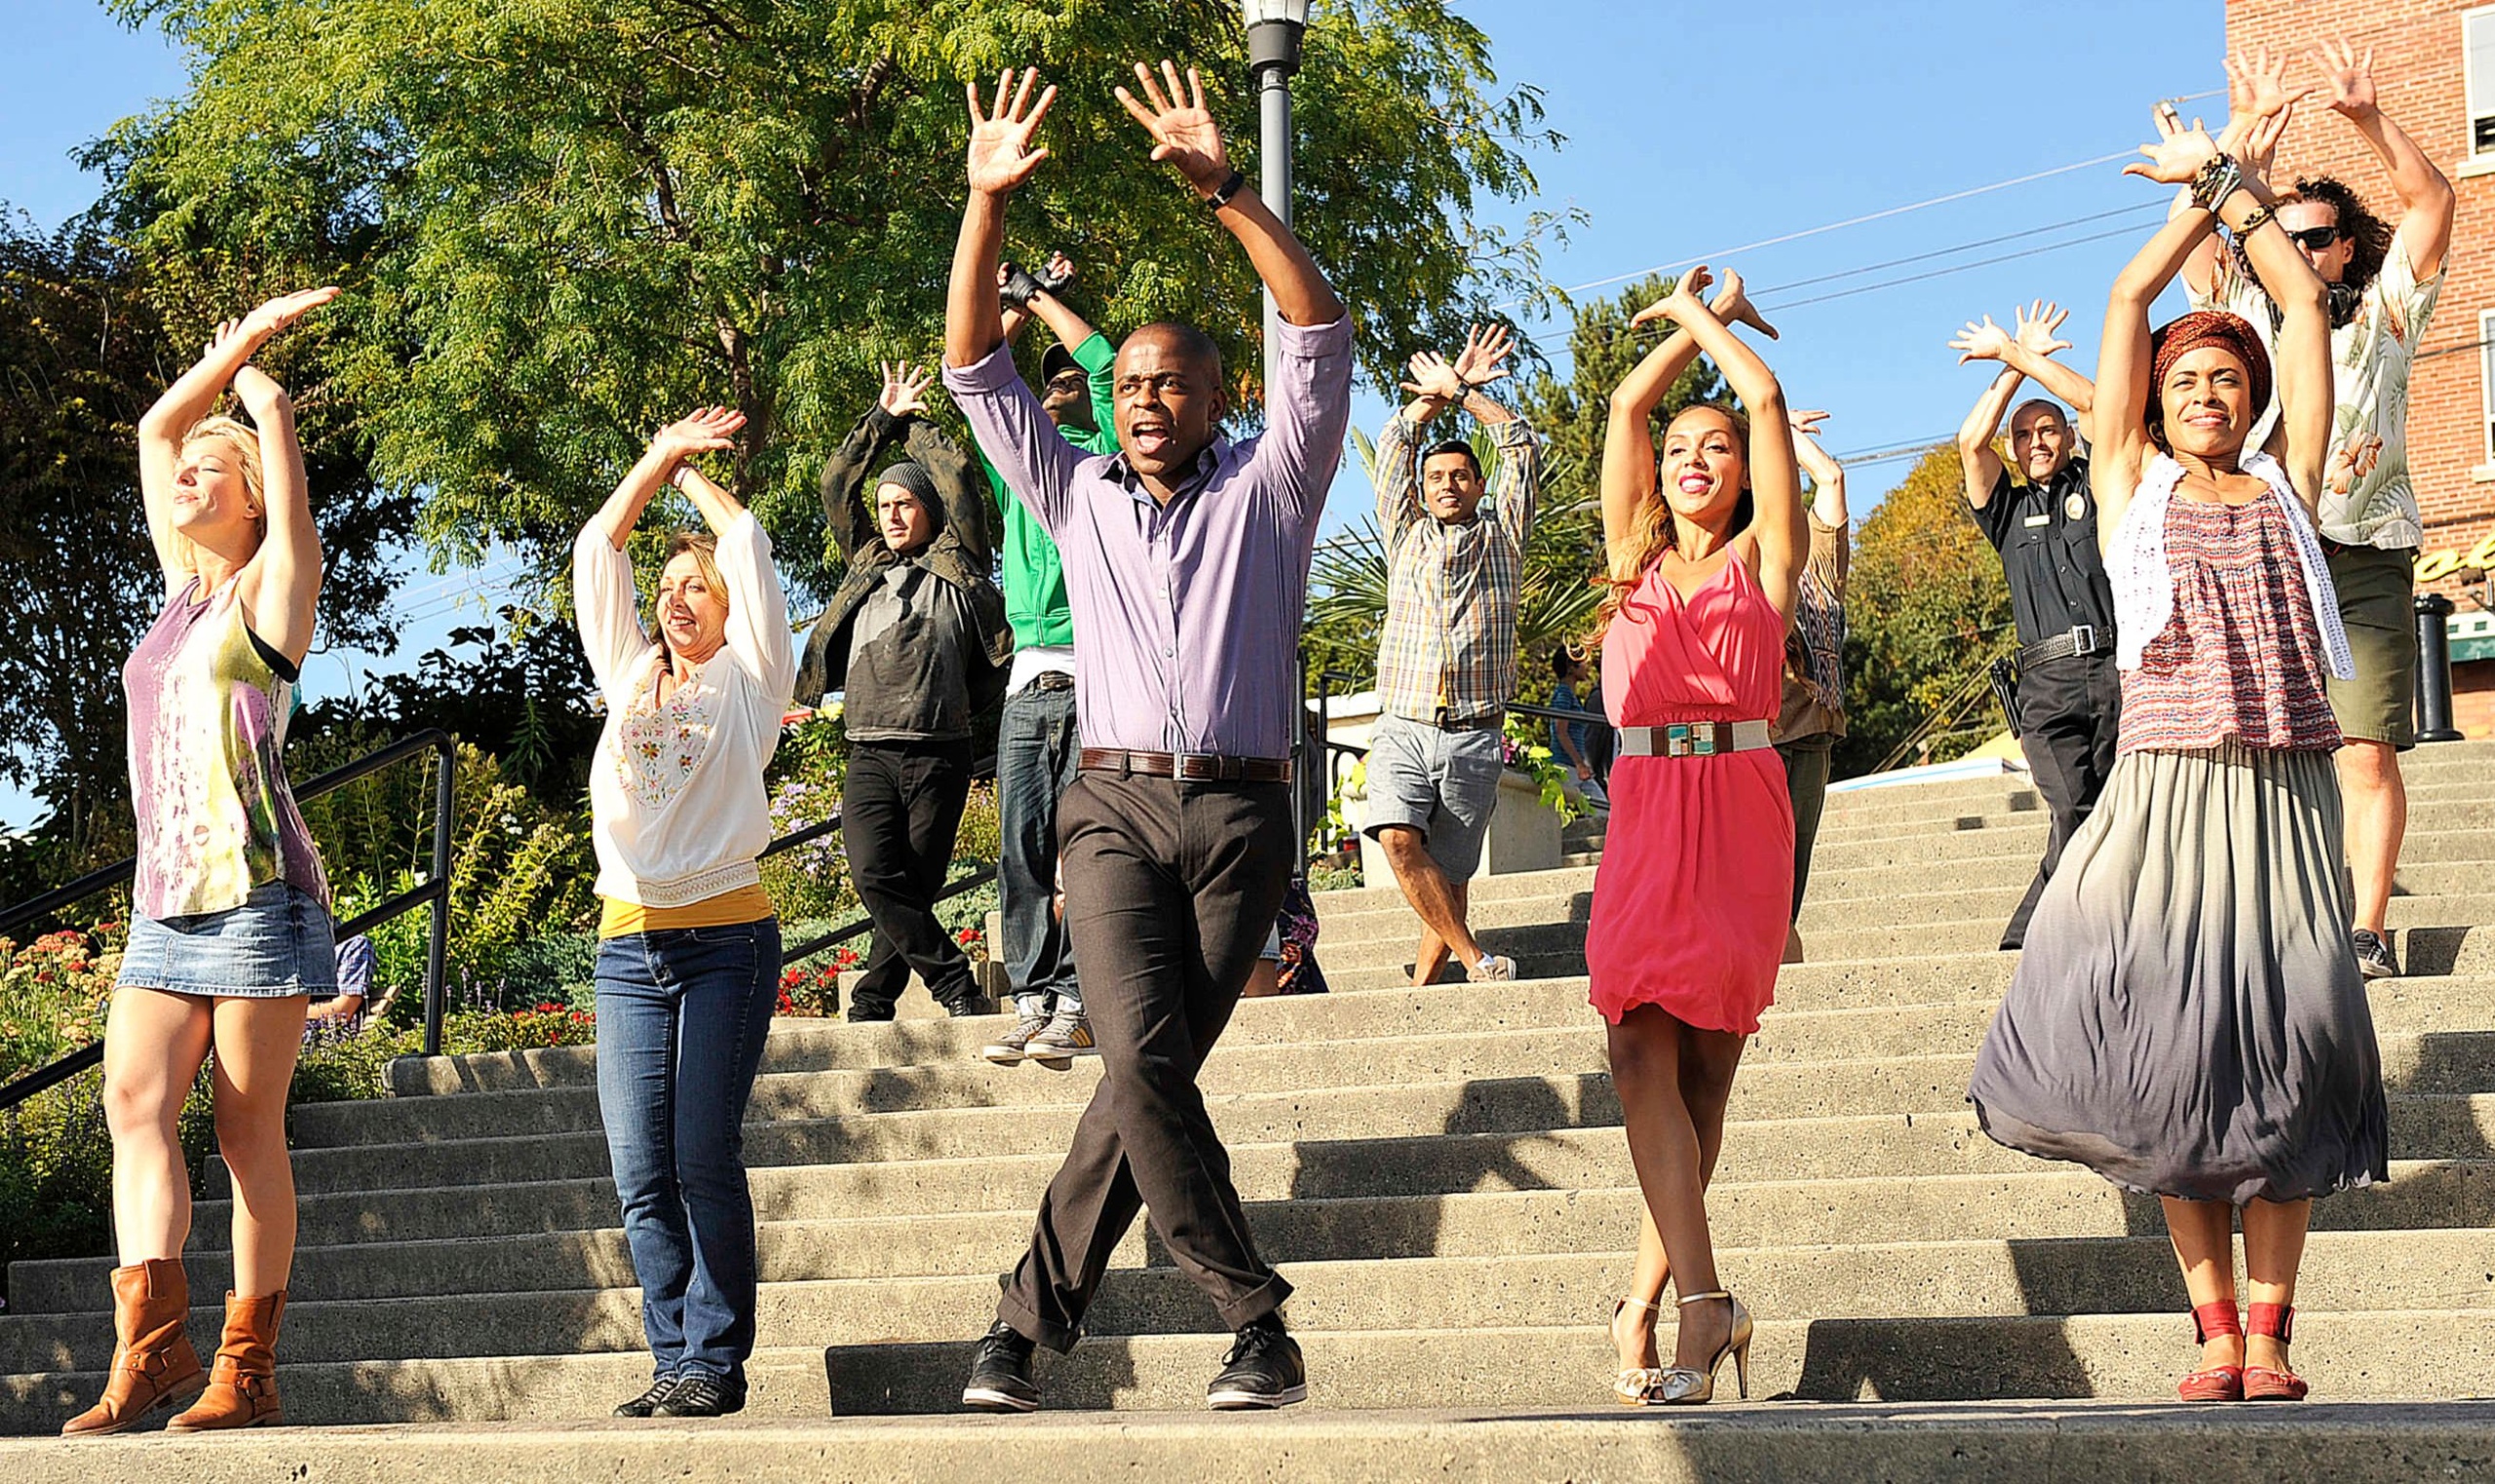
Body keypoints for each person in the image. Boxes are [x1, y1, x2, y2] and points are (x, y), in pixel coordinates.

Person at [940, 61, 1351, 1413]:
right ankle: (1256, 1315)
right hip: (1110, 809)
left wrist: (1226, 189)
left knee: (1147, 1073)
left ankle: (1021, 1323)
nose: (1148, 399)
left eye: (1173, 381)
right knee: (1135, 1055)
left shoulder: (1274, 487)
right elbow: (973, 365)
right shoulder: (1073, 495)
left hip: (1241, 819)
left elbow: (1318, 329)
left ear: (1217, 398)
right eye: (1130, 384)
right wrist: (983, 208)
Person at [1969, 102, 2384, 1405]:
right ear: (2159, 398)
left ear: (2253, 401)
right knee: (2177, 1051)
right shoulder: (2132, 477)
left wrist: (2243, 188)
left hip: (2279, 788)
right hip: (2162, 791)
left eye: (2229, 380)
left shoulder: (2286, 484)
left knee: (2301, 1043)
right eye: (2189, 379)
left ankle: (2274, 1328)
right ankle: (2215, 1330)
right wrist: (2195, 193)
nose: (2210, 394)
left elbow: (2304, 317)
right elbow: (2127, 289)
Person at [62, 290, 339, 1438]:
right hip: (165, 902)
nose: (186, 478)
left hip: (258, 897)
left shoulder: (271, 588)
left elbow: (295, 523)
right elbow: (150, 434)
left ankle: (246, 1365)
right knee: (134, 1100)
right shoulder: (180, 593)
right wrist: (237, 345)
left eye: (211, 470)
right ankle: (151, 1348)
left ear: (253, 492)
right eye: (190, 473)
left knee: (240, 1129)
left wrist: (265, 403)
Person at [2182, 42, 2454, 980]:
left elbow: (2433, 205)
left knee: (2366, 750)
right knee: (2263, 748)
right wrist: (2240, 151)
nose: (2297, 251)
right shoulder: (2248, 320)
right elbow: (2194, 243)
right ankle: (2279, 915)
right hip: (2266, 550)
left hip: (2368, 549)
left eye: (2315, 237)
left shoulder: (2385, 306)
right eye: (2283, 237)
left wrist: (2368, 118)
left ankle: (2367, 928)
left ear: (2345, 243)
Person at [1587, 263, 1804, 1406]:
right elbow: (1627, 408)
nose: (1695, 455)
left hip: (1738, 806)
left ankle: (1643, 1298)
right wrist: (1682, 332)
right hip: (1642, 809)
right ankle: (1704, 1301)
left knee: (1706, 1078)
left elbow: (1766, 407)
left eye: (1714, 446)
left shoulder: (1765, 562)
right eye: (1685, 445)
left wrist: (1710, 328)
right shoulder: (1628, 559)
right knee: (1634, 1045)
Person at [575, 405, 798, 1420]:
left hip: (726, 943)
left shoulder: (751, 683)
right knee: (637, 1168)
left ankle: (714, 1354)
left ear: (725, 607)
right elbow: (595, 548)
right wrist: (652, 455)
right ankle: (672, 1354)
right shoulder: (625, 674)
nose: (674, 601)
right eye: (665, 588)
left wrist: (695, 479)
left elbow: (748, 542)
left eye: (693, 587)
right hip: (628, 945)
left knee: (700, 1152)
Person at [796, 364, 1011, 1021]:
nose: (890, 514)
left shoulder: (959, 559)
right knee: (875, 876)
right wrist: (880, 419)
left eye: (904, 503)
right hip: (868, 749)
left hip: (940, 749)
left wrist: (914, 423)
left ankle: (872, 997)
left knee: (914, 885)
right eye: (884, 504)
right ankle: (954, 986)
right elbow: (837, 486)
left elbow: (958, 478)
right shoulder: (866, 560)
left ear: (928, 511)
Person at [1362, 323, 1542, 988]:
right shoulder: (1404, 532)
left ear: (1476, 483)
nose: (1445, 484)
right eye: (1435, 475)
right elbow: (1392, 444)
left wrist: (1463, 393)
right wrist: (1430, 399)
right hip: (1405, 725)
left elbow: (1520, 447)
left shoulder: (1503, 536)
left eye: (1460, 474)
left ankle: (1425, 988)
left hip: (1474, 734)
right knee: (1398, 841)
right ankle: (1476, 959)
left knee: (1454, 881)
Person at [980, 251, 1118, 1066]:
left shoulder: (1101, 461)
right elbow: (983, 376)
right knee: (1020, 847)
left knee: (1083, 849)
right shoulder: (1016, 469)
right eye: (1048, 379)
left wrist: (1043, 298)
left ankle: (1075, 998)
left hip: (1097, 676)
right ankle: (1033, 999)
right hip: (1030, 680)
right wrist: (1018, 311)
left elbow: (1105, 362)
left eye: (1068, 380)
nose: (1060, 382)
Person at [1948, 300, 2113, 950]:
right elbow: (1969, 441)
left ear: (2066, 436)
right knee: (2072, 805)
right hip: (2045, 683)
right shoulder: (2005, 508)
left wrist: (2030, 357)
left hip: (2116, 668)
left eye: (2049, 429)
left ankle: (2054, 932)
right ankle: (2034, 936)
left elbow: (2098, 404)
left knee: (2110, 811)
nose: (2038, 440)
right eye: (2025, 434)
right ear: (2013, 448)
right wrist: (2011, 364)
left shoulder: (2099, 481)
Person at [1773, 411, 1851, 959]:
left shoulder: (1821, 568)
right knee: (1764, 878)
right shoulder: (1750, 565)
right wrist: (1762, 434)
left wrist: (1784, 434)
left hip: (1815, 735)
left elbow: (1831, 479)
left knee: (1791, 881)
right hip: (1765, 735)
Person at [1549, 649, 1609, 812]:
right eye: (1582, 663)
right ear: (1571, 667)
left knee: (1602, 809)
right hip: (1566, 766)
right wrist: (1579, 763)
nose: (1586, 667)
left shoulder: (1569, 694)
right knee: (1600, 810)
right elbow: (1560, 731)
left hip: (1573, 767)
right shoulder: (1563, 694)